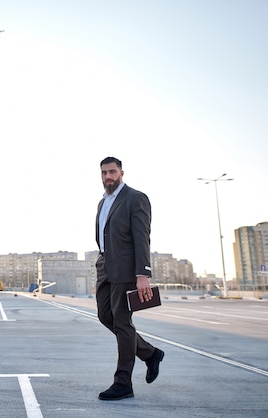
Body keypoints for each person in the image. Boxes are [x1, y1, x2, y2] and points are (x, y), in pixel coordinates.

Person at [95, 156, 164, 401]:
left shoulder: (135, 198)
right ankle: (149, 353)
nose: (108, 177)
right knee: (105, 316)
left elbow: (141, 237)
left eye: (112, 172)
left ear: (122, 173)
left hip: (126, 270)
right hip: (105, 267)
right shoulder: (102, 203)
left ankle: (123, 383)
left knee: (123, 324)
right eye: (104, 173)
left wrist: (142, 274)